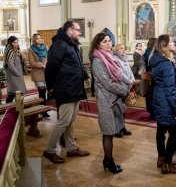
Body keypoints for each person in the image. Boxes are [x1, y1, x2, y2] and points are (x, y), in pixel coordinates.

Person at [43, 21, 90, 164]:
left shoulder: (71, 44)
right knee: (63, 121)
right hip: (66, 88)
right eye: (78, 30)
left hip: (74, 87)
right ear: (70, 30)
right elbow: (50, 66)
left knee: (70, 120)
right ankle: (49, 150)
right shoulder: (60, 44)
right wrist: (50, 86)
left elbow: (77, 64)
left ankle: (71, 148)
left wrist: (85, 76)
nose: (80, 33)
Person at [91, 32, 131, 174]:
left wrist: (128, 84)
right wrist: (124, 91)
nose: (108, 44)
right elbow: (107, 83)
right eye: (104, 42)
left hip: (114, 99)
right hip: (106, 101)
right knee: (108, 133)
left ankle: (107, 160)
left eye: (109, 41)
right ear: (97, 45)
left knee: (112, 132)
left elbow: (119, 75)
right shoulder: (98, 61)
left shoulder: (110, 57)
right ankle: (109, 161)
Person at [149, 34, 176, 174]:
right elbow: (170, 90)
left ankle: (161, 158)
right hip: (167, 102)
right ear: (165, 45)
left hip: (158, 98)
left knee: (161, 131)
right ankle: (168, 163)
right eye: (172, 42)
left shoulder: (156, 60)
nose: (174, 43)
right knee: (174, 134)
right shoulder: (166, 64)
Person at [113, 43, 134, 137]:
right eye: (121, 48)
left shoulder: (124, 59)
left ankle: (122, 127)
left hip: (127, 86)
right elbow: (120, 74)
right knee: (117, 109)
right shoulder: (115, 59)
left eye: (124, 48)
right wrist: (129, 81)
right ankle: (116, 129)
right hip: (120, 86)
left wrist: (132, 80)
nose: (123, 50)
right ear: (116, 50)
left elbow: (129, 71)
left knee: (123, 109)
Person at [28, 33, 49, 117]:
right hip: (37, 73)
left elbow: (50, 57)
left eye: (40, 38)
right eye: (37, 38)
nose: (40, 39)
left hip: (46, 72)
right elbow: (31, 62)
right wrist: (41, 65)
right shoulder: (31, 50)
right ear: (34, 40)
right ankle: (43, 110)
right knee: (42, 91)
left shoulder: (46, 47)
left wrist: (47, 65)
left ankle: (43, 108)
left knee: (45, 91)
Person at [3, 36, 27, 103]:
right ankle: (9, 109)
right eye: (14, 42)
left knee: (16, 93)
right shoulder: (10, 50)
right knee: (15, 92)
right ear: (10, 43)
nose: (16, 44)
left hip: (17, 73)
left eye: (17, 42)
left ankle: (17, 109)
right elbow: (10, 64)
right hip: (14, 74)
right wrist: (17, 73)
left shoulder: (16, 50)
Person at [143, 38, 157, 118]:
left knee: (151, 95)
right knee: (150, 95)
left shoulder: (151, 51)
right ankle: (152, 112)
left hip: (151, 75)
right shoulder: (149, 51)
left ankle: (152, 111)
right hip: (150, 76)